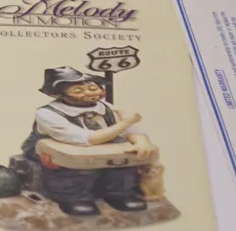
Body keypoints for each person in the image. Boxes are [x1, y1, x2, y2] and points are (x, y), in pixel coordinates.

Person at [26, 67, 157, 216]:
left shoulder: (105, 108)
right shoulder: (47, 113)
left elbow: (126, 131)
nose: (90, 93)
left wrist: (141, 141)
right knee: (75, 170)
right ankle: (75, 198)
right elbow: (89, 138)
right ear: (58, 93)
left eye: (93, 88)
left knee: (122, 165)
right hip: (64, 151)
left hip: (104, 148)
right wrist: (126, 122)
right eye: (78, 91)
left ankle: (120, 194)